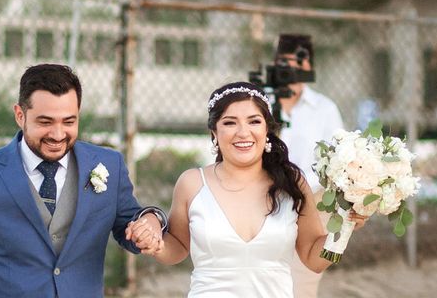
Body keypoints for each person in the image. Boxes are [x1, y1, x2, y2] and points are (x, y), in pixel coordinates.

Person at [0, 63, 166, 298]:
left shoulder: (108, 164)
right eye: (45, 122)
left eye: (69, 121)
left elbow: (131, 226)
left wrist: (152, 221)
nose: (58, 134)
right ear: (20, 115)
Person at [126, 81, 366, 297]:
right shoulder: (192, 183)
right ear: (214, 133)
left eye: (254, 121)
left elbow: (314, 261)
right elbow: (176, 248)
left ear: (267, 130)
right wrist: (156, 245)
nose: (243, 132)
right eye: (230, 123)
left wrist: (344, 229)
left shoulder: (292, 183)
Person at [275, 33, 344, 298]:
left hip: (313, 201)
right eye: (285, 61)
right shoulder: (259, 103)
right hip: (264, 199)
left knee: (303, 280)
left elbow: (338, 160)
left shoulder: (325, 109)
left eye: (299, 63)